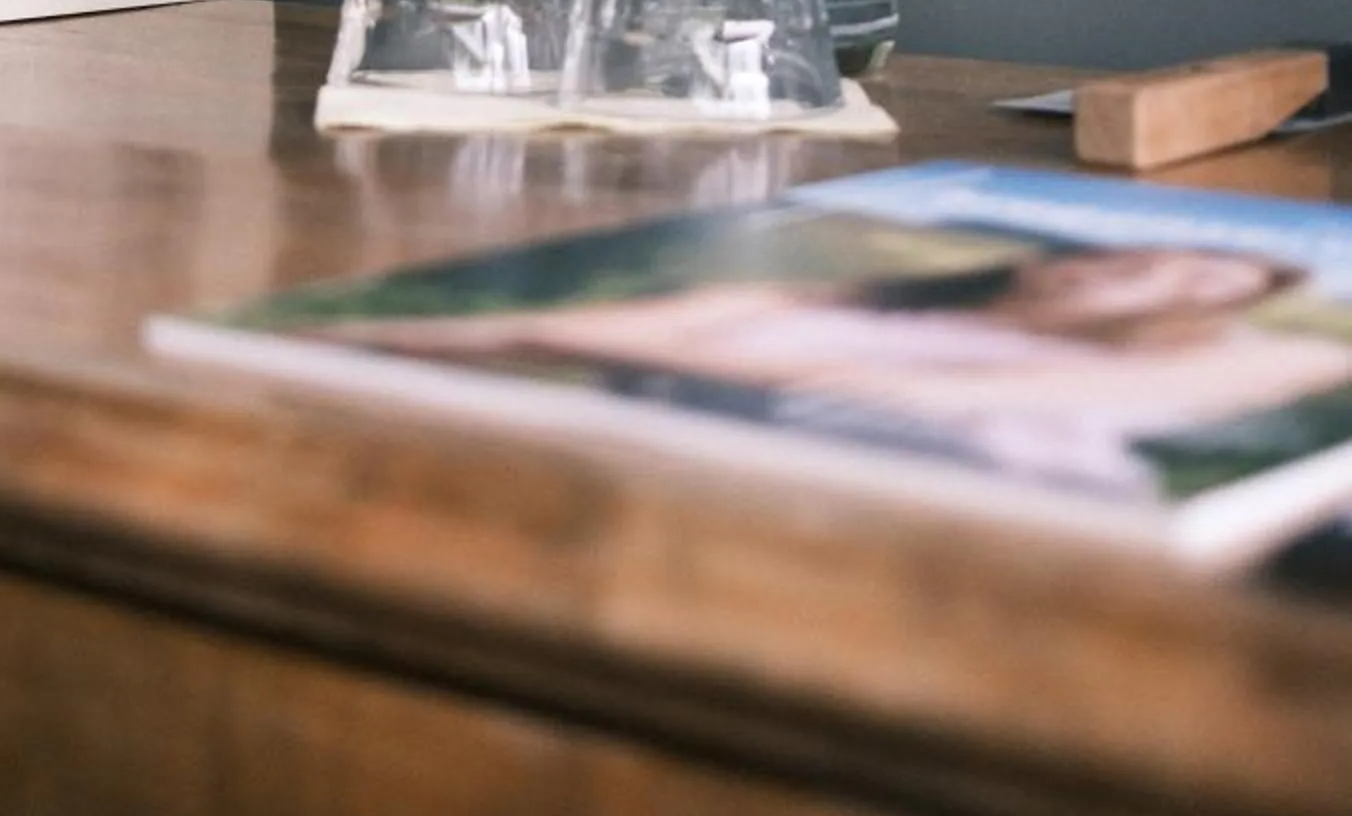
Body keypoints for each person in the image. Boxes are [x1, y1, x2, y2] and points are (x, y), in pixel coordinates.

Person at [343, 243, 1352, 502]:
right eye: (1146, 249)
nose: (1151, 266)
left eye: (1203, 271)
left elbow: (939, 403)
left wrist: (598, 349)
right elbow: (531, 329)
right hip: (676, 488)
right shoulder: (845, 299)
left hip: (976, 541)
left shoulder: (1260, 357)